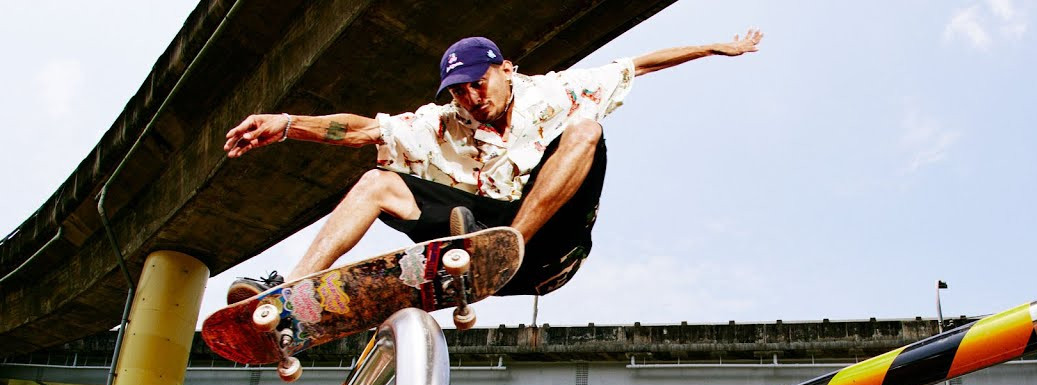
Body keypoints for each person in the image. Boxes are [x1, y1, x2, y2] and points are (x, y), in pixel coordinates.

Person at [222, 30, 762, 303]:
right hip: (479, 235)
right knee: (376, 181)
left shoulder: (555, 90)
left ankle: (505, 244)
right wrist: (290, 123)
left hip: (553, 245)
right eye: (459, 92)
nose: (472, 98)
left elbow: (640, 63)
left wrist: (718, 48)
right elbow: (366, 129)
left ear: (506, 69)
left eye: (480, 83)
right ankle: (288, 291)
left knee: (587, 130)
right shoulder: (441, 123)